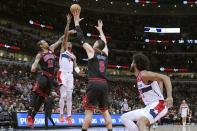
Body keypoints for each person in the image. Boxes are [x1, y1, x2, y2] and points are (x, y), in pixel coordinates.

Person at [73, 10, 112, 131]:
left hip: (94, 82)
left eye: (95, 41)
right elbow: (104, 43)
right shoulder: (105, 53)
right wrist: (100, 30)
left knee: (89, 111)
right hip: (104, 84)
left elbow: (81, 38)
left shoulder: (92, 51)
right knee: (105, 112)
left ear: (96, 45)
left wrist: (76, 23)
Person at [121, 53, 173, 131]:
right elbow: (160, 81)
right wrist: (160, 93)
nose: (131, 64)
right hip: (149, 106)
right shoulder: (140, 77)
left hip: (158, 105)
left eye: (132, 62)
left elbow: (165, 78)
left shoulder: (144, 74)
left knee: (141, 122)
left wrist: (169, 96)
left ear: (135, 64)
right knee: (124, 117)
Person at [26, 29, 64, 128]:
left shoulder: (51, 48)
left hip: (51, 78)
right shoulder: (40, 54)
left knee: (42, 98)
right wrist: (33, 67)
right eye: (44, 42)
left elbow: (60, 40)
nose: (47, 42)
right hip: (44, 75)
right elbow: (35, 62)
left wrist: (68, 31)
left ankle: (32, 118)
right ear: (41, 46)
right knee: (35, 93)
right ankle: (28, 116)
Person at [57, 14, 84, 125]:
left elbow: (75, 66)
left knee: (69, 97)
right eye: (67, 41)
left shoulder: (73, 56)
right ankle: (61, 115)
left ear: (71, 46)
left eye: (69, 42)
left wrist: (79, 71)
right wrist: (68, 23)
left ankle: (69, 116)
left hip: (70, 75)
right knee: (63, 95)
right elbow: (65, 35)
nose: (68, 42)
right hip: (62, 73)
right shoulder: (63, 50)